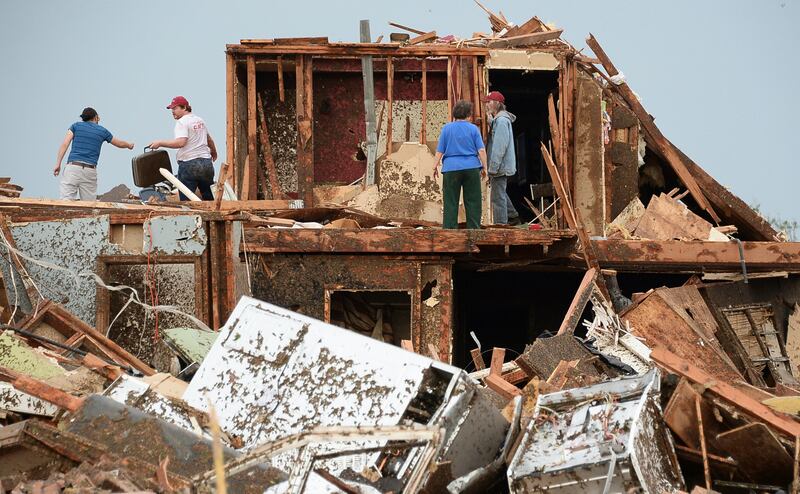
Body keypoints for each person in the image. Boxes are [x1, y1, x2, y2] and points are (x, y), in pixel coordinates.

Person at [54, 107, 134, 200]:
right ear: (95, 117)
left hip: (73, 168)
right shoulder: (102, 131)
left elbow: (65, 144)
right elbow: (119, 143)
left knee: (66, 202)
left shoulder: (75, 126)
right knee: (89, 204)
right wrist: (129, 145)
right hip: (89, 171)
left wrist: (58, 164)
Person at [148, 96, 218, 200]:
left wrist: (160, 143)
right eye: (172, 109)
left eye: (175, 108)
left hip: (189, 164)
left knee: (186, 200)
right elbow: (209, 139)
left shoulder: (182, 122)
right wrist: (214, 152)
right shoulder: (199, 120)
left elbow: (181, 142)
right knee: (209, 197)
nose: (172, 111)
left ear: (184, 108)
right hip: (206, 163)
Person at [433, 100, 487, 229]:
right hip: (471, 167)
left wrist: (434, 166)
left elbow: (440, 151)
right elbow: (481, 150)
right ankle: (474, 231)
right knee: (473, 201)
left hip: (451, 168)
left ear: (454, 114)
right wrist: (485, 167)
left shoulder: (446, 129)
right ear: (469, 115)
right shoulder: (474, 129)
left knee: (450, 201)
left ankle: (450, 231)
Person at [484, 91, 520, 225]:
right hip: (502, 165)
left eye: (489, 102)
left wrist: (492, 168)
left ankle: (501, 225)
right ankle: (512, 215)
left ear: (497, 103)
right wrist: (491, 122)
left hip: (500, 166)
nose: (486, 104)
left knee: (497, 197)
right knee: (499, 192)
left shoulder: (501, 121)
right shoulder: (499, 121)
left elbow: (499, 146)